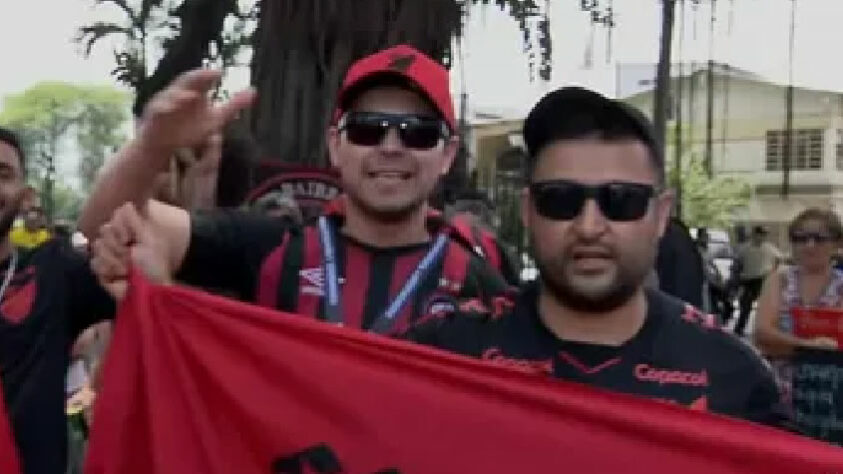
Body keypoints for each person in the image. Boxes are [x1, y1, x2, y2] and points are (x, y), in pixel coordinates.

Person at [405, 87, 781, 425]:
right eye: (560, 199)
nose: (588, 227)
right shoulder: (444, 355)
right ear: (527, 211)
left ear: (662, 214)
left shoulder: (734, 378)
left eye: (621, 201)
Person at [84, 45, 509, 334]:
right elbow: (107, 225)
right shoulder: (273, 248)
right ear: (335, 146)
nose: (390, 148)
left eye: (418, 134)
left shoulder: (480, 279)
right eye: (367, 130)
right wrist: (151, 147)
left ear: (448, 154)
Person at [0, 127, 115, 473]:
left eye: (3, 175)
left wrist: (154, 146)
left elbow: (115, 237)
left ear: (24, 194)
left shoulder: (53, 272)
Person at [754, 208, 843, 418]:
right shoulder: (778, 279)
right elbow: (763, 336)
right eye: (800, 238)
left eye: (819, 238)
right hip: (780, 390)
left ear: (837, 243)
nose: (809, 245)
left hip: (833, 395)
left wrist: (786, 344)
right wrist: (813, 346)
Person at [735, 225, 783, 336]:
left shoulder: (769, 248)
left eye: (764, 235)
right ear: (755, 235)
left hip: (763, 279)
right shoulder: (745, 249)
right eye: (760, 234)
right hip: (749, 280)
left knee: (768, 307)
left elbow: (779, 259)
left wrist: (773, 271)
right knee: (745, 306)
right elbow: (738, 263)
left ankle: (769, 330)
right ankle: (739, 330)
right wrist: (738, 278)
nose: (762, 237)